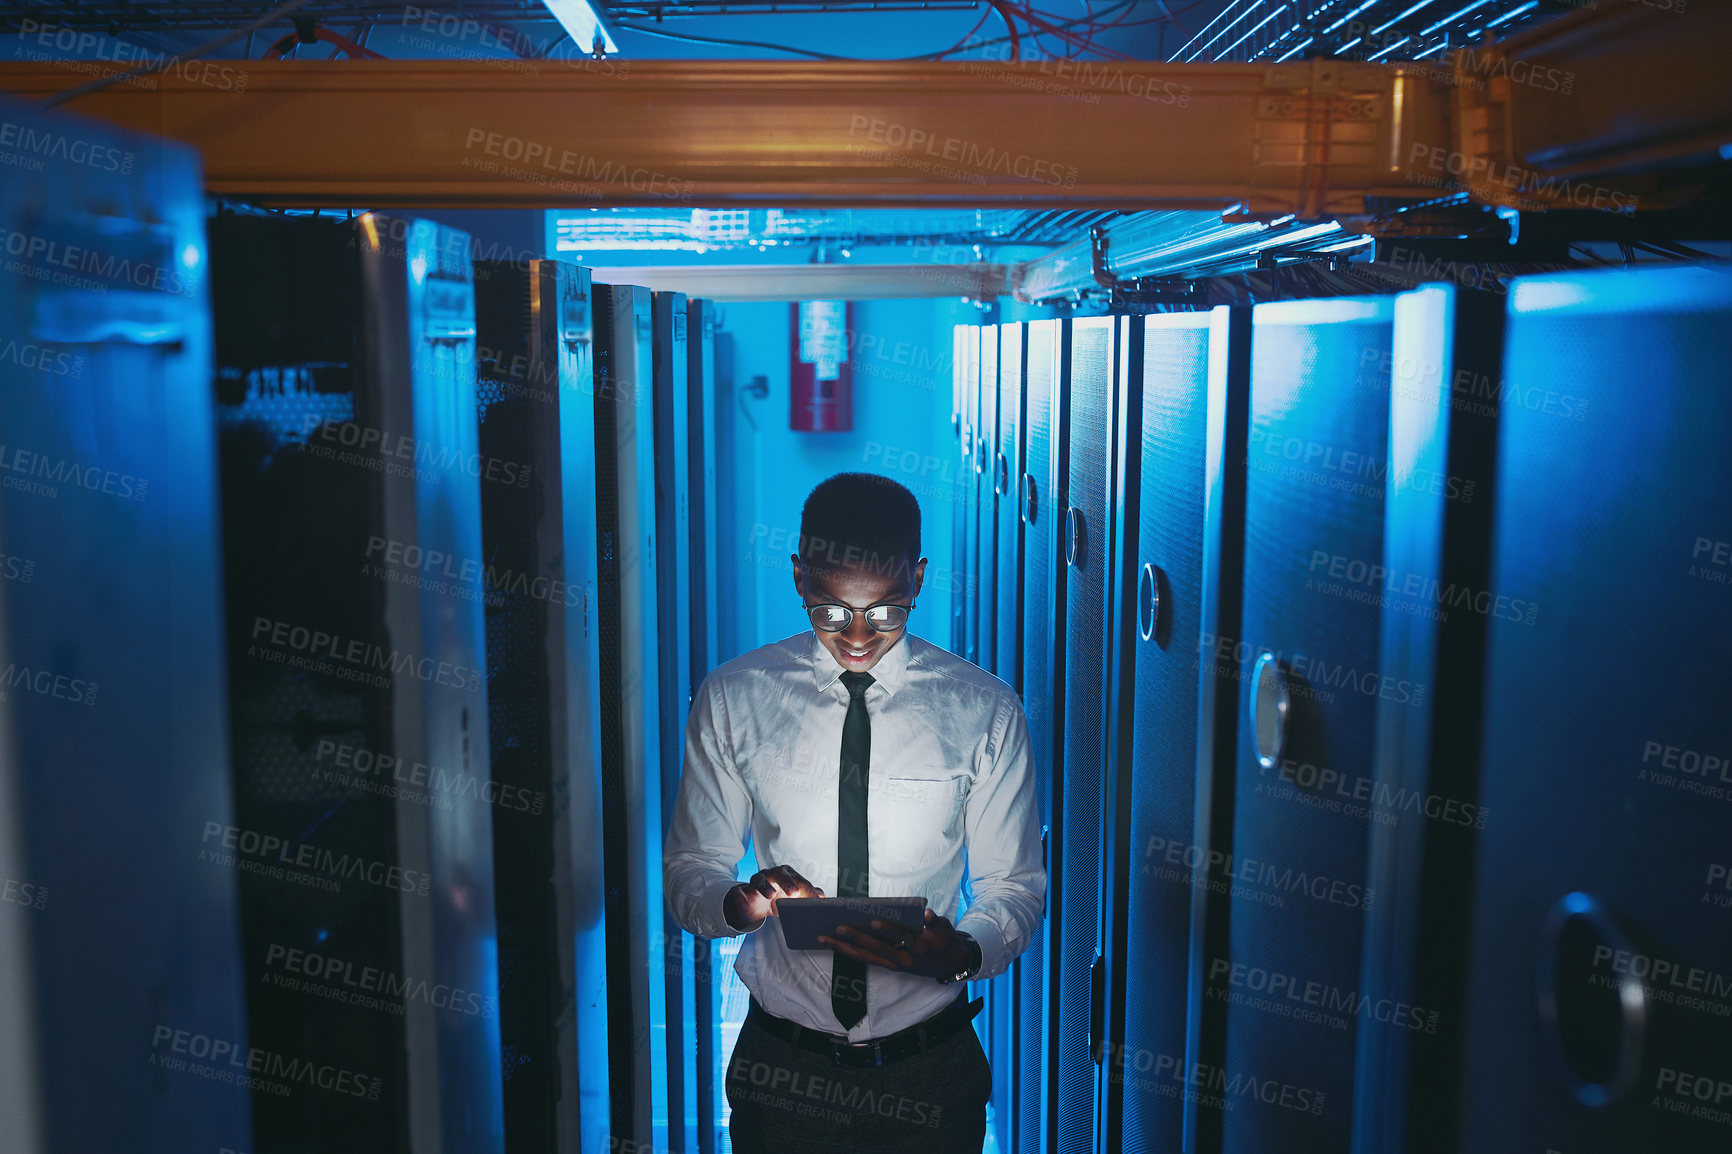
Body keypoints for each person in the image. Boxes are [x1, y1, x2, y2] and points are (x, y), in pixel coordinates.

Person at [664, 470, 1046, 1154]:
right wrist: (741, 902)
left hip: (930, 1069)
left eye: (888, 610)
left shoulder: (984, 710)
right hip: (782, 1069)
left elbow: (1013, 888)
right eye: (833, 611)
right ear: (799, 579)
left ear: (919, 579)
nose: (860, 636)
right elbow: (690, 871)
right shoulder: (733, 697)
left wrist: (960, 950)